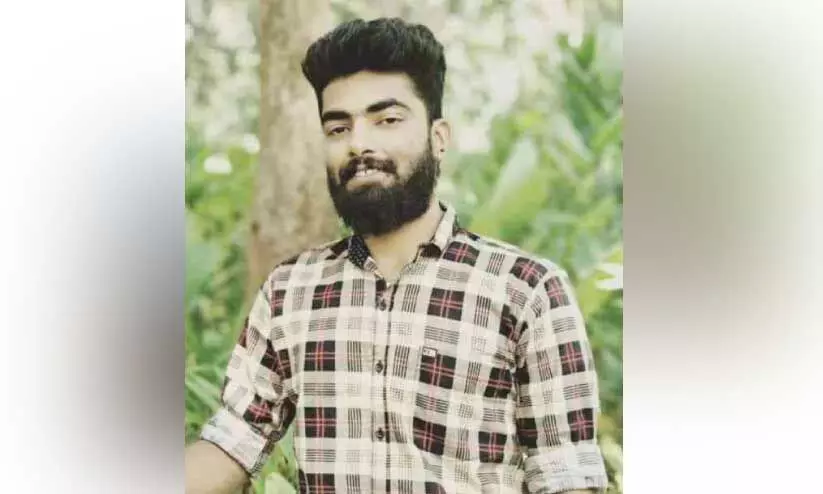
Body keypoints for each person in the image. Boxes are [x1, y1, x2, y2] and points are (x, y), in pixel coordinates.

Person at [185, 17, 608, 494]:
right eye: (338, 127)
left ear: (438, 137)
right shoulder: (290, 291)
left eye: (386, 120)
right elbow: (234, 440)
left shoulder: (526, 290)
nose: (358, 143)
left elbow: (565, 475)